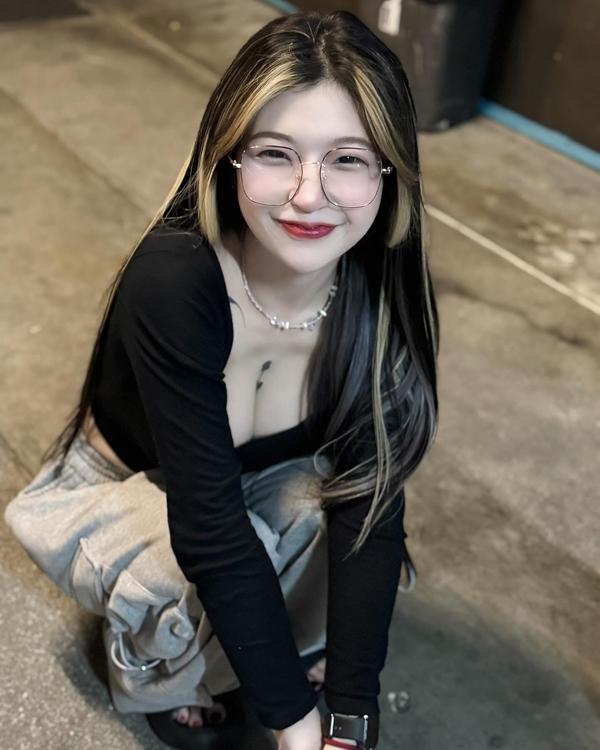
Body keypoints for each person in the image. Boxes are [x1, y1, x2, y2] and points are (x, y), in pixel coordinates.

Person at [4, 9, 438, 750]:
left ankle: (244, 647)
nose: (309, 195)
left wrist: (348, 717)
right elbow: (209, 527)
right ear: (229, 158)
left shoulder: (376, 291)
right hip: (123, 485)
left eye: (348, 159)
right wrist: (293, 726)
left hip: (257, 486)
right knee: (210, 559)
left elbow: (369, 508)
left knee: (338, 520)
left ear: (387, 174)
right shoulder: (175, 281)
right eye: (276, 154)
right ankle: (158, 668)